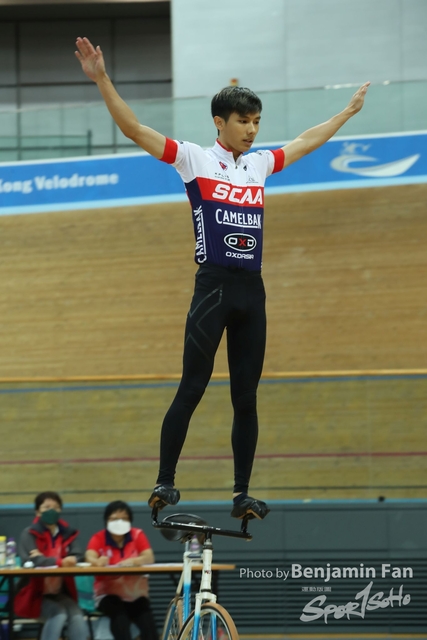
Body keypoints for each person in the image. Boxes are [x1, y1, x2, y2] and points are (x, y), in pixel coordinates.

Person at [75, 37, 370, 520]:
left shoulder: (259, 165)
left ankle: (241, 495)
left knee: (246, 398)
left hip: (252, 292)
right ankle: (165, 482)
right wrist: (102, 79)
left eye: (257, 122)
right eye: (243, 121)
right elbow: (133, 129)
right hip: (212, 287)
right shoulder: (193, 158)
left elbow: (304, 141)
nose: (252, 130)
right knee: (192, 386)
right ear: (220, 122)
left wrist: (346, 113)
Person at [15, 491, 89, 640]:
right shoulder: (29, 534)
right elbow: (32, 561)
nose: (51, 510)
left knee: (76, 614)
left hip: (59, 593)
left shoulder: (67, 533)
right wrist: (60, 562)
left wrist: (72, 559)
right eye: (46, 507)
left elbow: (78, 555)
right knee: (58, 613)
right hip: (33, 594)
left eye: (55, 507)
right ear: (37, 512)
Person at [85, 500, 158, 640]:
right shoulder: (98, 538)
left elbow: (149, 557)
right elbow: (89, 556)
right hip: (108, 595)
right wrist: (97, 562)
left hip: (136, 595)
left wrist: (135, 561)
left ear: (130, 521)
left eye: (124, 518)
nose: (119, 522)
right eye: (114, 519)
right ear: (106, 520)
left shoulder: (137, 535)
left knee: (147, 622)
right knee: (120, 617)